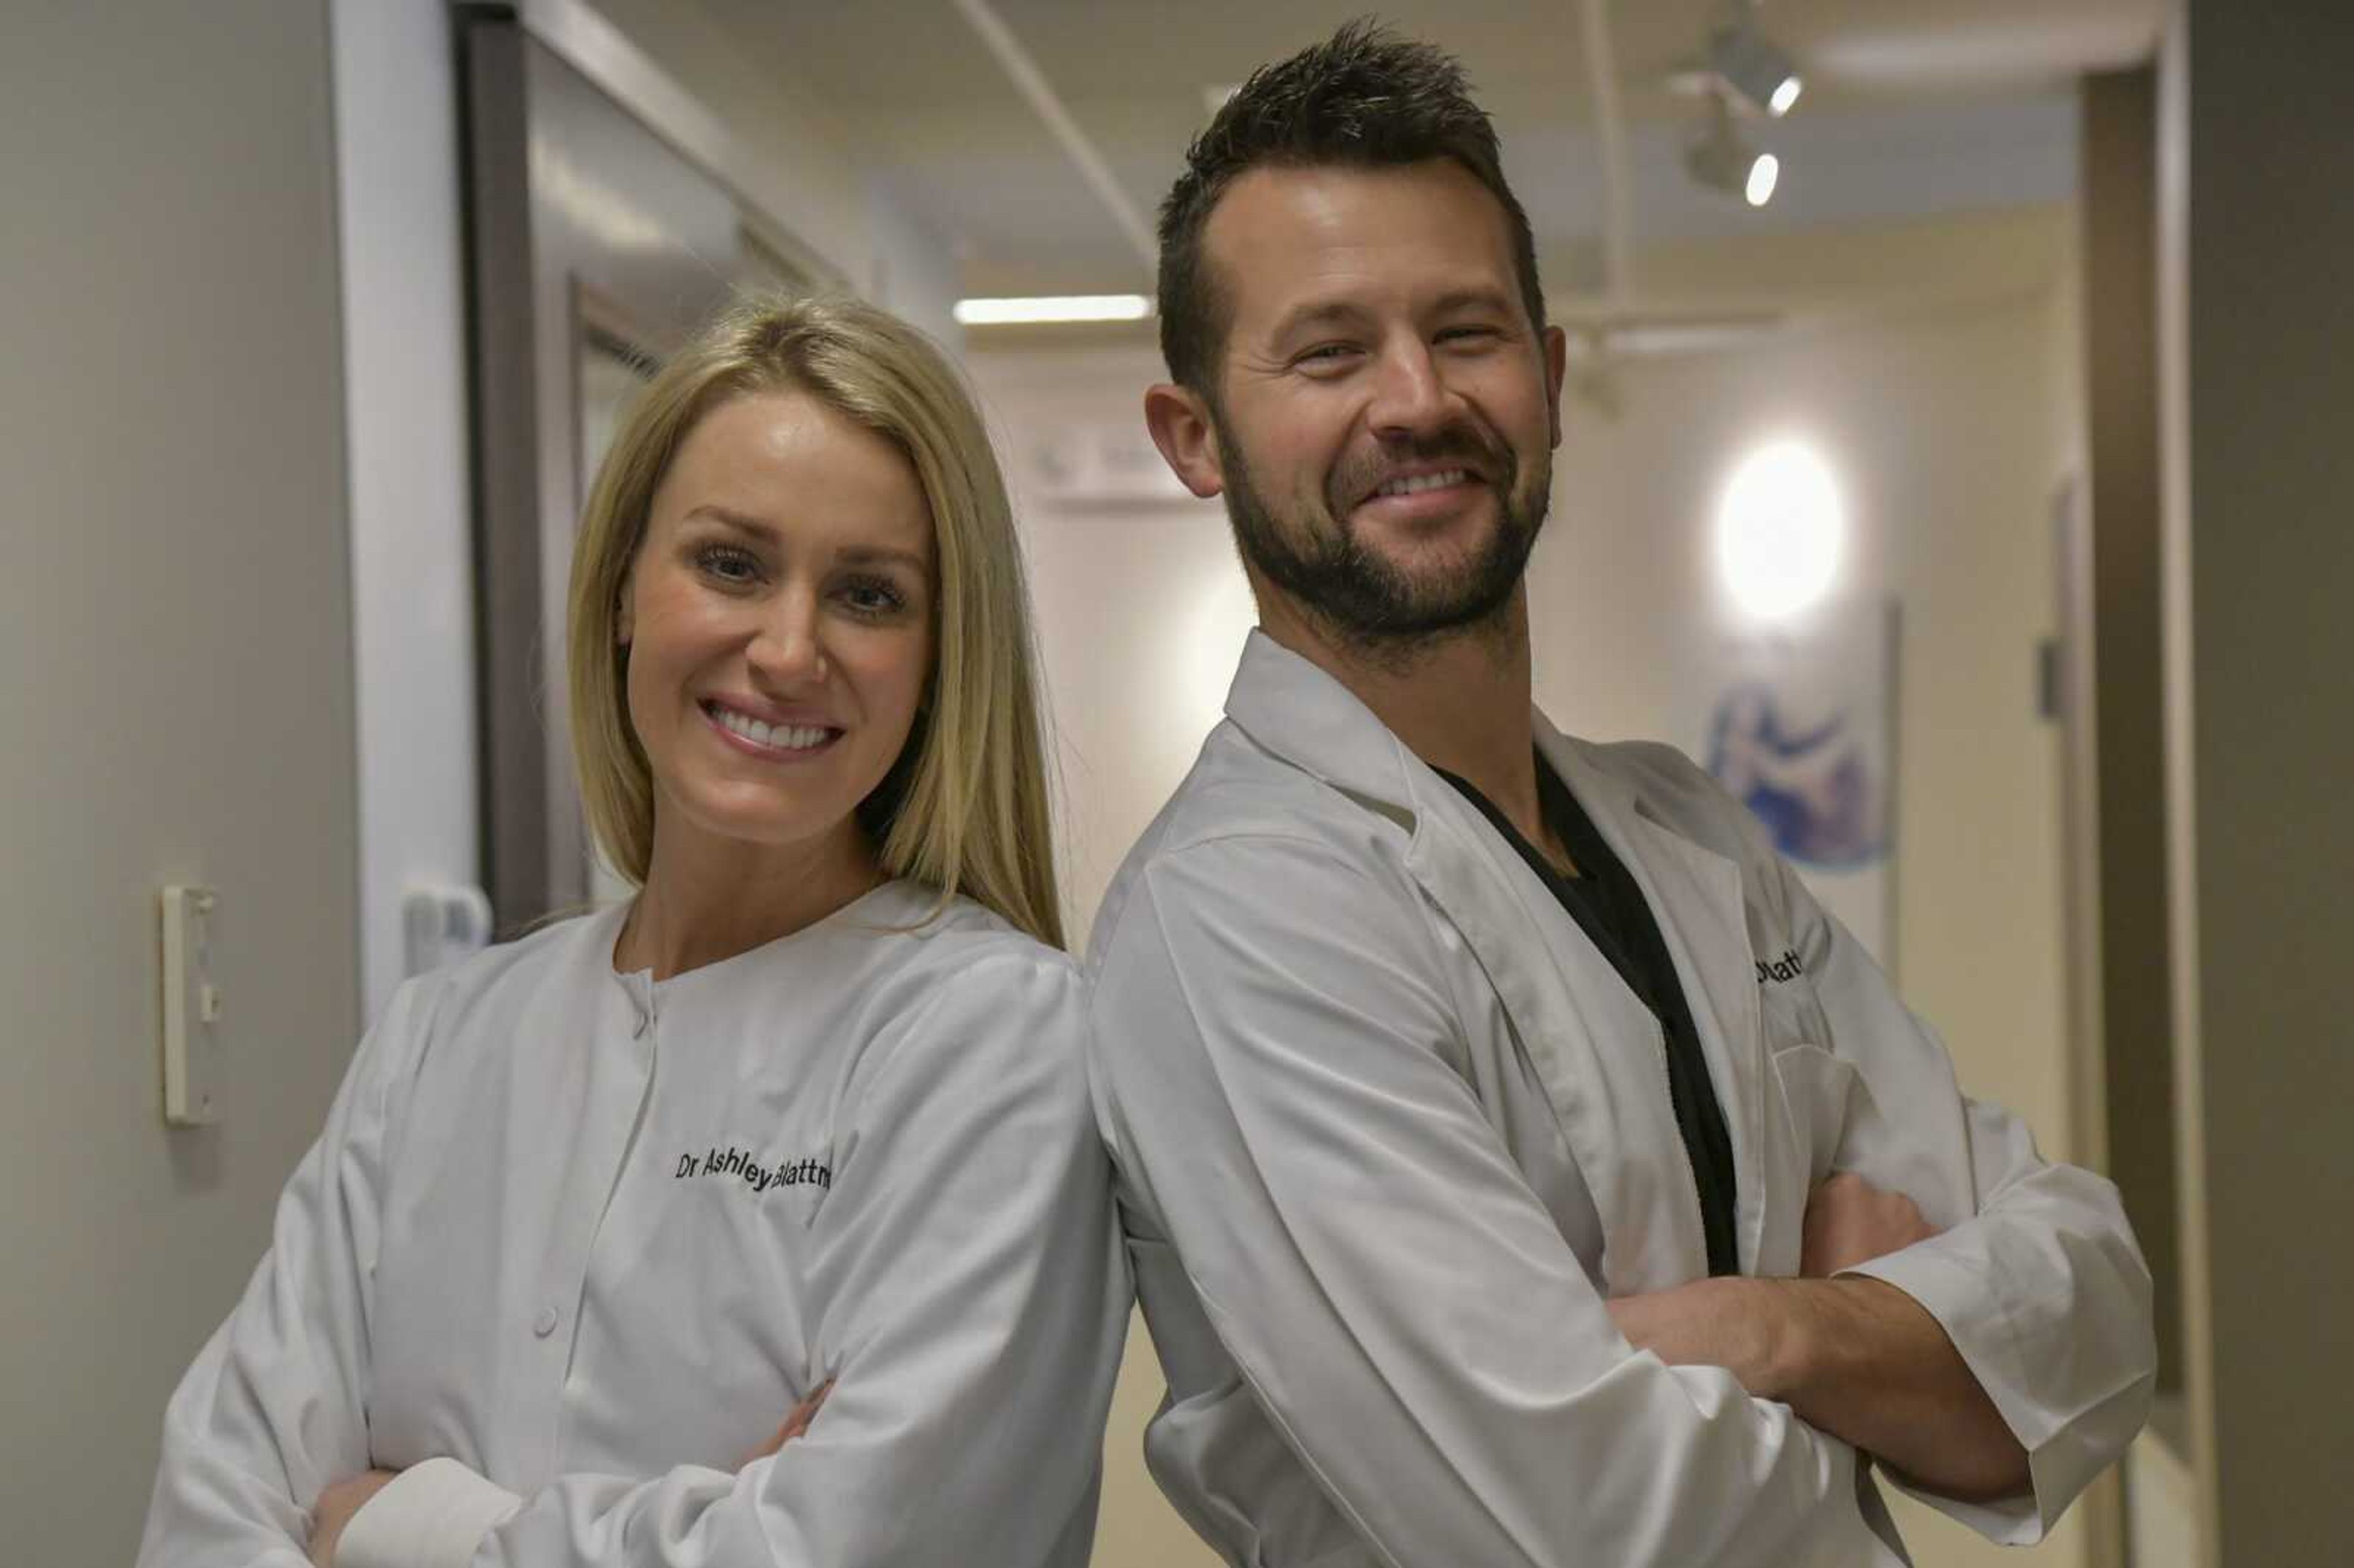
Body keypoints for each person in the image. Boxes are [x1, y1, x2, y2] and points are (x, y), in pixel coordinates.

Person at [1086, 23, 2155, 1567]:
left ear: (1552, 375)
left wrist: (1773, 1332)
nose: (1416, 399)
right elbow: (1588, 1522)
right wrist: (1906, 1346)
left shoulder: (1686, 827)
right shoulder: (1238, 917)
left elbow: (2096, 1299)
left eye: (1467, 331)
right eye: (1329, 353)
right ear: (1195, 438)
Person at [137, 295, 1127, 1567]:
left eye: (869, 594)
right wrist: (701, 1524)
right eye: (730, 563)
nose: (787, 646)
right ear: (620, 593)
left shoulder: (1000, 1040)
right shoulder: (445, 1035)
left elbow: (860, 1552)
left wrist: (391, 1525)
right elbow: (210, 1512)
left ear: (940, 659)